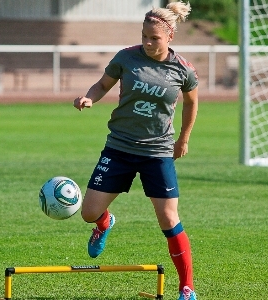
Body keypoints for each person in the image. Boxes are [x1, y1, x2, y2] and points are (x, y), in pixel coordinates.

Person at [73, 2, 198, 299]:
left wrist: (183, 139)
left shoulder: (183, 70)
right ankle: (105, 223)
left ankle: (187, 288)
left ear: (170, 38)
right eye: (144, 36)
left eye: (154, 38)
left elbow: (192, 103)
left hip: (157, 152)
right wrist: (89, 98)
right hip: (119, 147)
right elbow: (103, 84)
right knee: (89, 213)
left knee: (169, 218)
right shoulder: (127, 58)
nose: (147, 42)